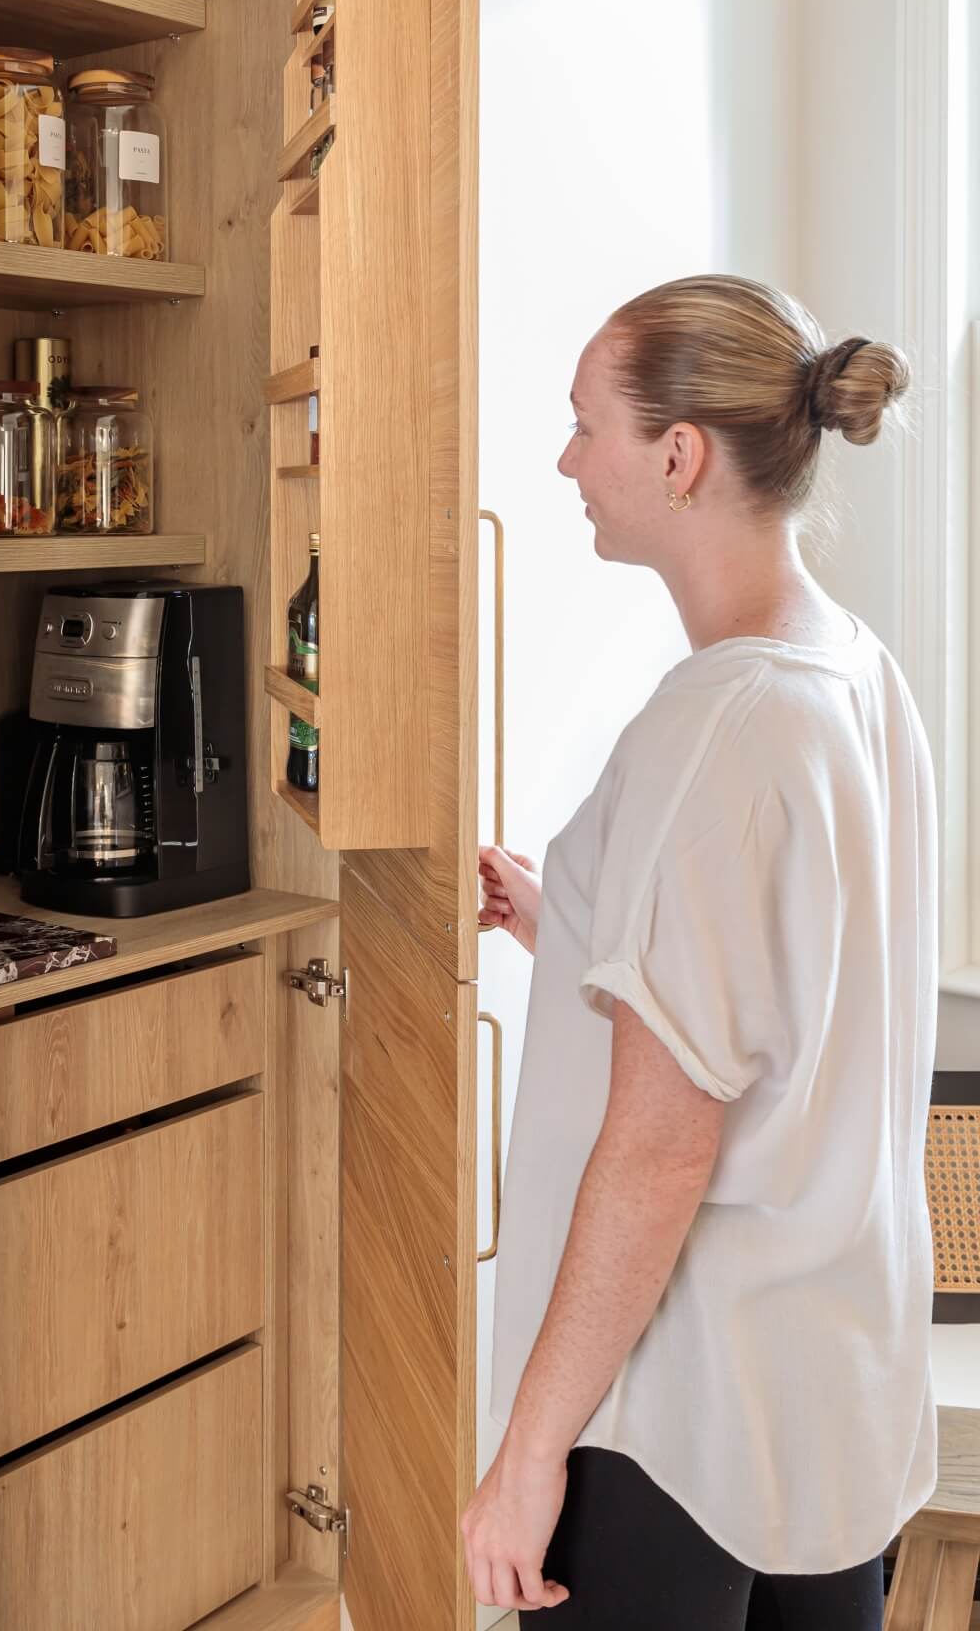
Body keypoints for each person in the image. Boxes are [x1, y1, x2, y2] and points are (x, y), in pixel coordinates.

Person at [461, 274, 937, 1629]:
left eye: (584, 425)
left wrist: (529, 1455)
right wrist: (582, 926)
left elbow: (665, 1142)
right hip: (827, 1393)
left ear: (679, 456)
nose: (566, 462)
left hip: (676, 1415)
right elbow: (803, 985)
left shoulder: (718, 723)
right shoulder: (853, 672)